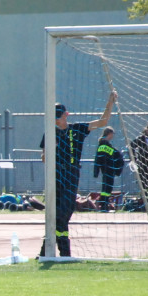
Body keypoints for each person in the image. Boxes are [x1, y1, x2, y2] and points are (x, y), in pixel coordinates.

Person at [39, 91, 116, 257]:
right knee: (57, 215)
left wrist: (110, 102)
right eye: (56, 117)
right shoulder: (50, 133)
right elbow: (44, 158)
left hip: (71, 174)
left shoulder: (77, 129)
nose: (59, 120)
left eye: (61, 116)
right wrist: (49, 150)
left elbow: (103, 122)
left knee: (62, 214)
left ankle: (51, 252)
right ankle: (59, 253)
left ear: (66, 115)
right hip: (55, 175)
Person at [92, 126, 123, 211]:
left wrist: (96, 171)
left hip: (104, 169)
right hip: (109, 169)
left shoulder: (101, 145)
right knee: (107, 188)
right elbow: (116, 154)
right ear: (109, 134)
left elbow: (97, 159)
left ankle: (103, 204)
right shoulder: (106, 146)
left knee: (105, 188)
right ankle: (104, 205)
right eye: (112, 134)